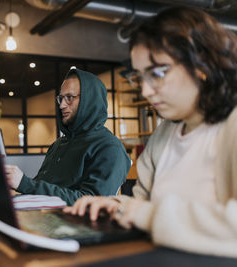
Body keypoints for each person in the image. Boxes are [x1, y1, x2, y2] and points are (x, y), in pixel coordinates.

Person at [64, 7, 237, 258]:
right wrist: (114, 205)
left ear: (202, 65)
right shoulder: (165, 133)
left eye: (157, 73)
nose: (145, 91)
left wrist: (147, 215)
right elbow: (143, 205)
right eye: (140, 77)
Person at [5, 69, 131, 205]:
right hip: (44, 218)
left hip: (74, 224)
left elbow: (93, 202)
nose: (62, 105)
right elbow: (40, 187)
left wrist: (24, 183)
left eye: (70, 98)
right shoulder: (58, 145)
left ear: (89, 100)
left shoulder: (109, 147)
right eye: (60, 98)